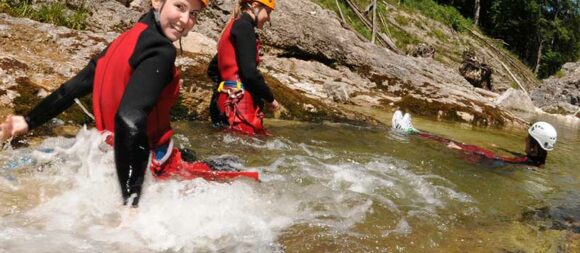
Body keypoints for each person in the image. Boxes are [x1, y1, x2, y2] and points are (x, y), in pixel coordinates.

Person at [0, 0, 258, 208]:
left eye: (194, 14)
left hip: (104, 159)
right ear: (156, 1)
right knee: (243, 175)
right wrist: (130, 204)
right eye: (179, 7)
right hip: (152, 168)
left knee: (211, 158)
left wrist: (28, 121)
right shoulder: (161, 51)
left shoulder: (123, 42)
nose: (185, 21)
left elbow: (72, 89)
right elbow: (129, 118)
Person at [207, 0, 280, 135]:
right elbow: (250, 73)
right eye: (268, 12)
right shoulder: (245, 27)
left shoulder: (232, 27)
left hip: (222, 103)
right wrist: (270, 99)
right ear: (255, 6)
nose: (268, 19)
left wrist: (226, 86)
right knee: (246, 152)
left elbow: (212, 68)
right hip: (239, 105)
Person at [391, 110, 557, 167]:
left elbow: (500, 160)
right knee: (454, 142)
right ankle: (414, 131)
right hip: (487, 160)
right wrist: (502, 148)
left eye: (527, 139)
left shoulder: (524, 162)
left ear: (535, 146)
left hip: (483, 160)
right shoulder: (537, 162)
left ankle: (407, 131)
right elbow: (513, 157)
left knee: (449, 142)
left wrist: (461, 150)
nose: (524, 141)